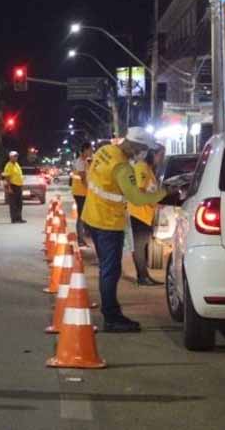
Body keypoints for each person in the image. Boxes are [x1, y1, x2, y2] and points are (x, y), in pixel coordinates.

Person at [81, 127, 173, 333]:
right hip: (107, 222)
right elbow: (137, 198)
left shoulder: (104, 151)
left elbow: (93, 180)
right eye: (143, 149)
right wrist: (163, 193)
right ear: (135, 145)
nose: (143, 154)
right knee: (110, 271)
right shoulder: (122, 167)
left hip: (92, 215)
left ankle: (112, 314)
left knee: (108, 269)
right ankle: (112, 318)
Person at [128, 145, 165, 286]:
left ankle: (145, 276)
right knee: (139, 247)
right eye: (161, 154)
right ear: (153, 154)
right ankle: (142, 277)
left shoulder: (148, 169)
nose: (162, 158)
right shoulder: (142, 168)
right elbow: (140, 190)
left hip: (145, 213)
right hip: (139, 213)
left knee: (142, 247)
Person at [71, 143, 93, 246]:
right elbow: (83, 178)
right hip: (80, 192)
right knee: (81, 215)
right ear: (84, 151)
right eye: (90, 150)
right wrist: (91, 189)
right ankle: (80, 238)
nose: (91, 152)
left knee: (85, 214)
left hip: (83, 192)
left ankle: (84, 235)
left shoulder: (86, 161)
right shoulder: (80, 162)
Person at [2, 151, 25, 223]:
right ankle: (14, 219)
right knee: (13, 204)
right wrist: (9, 188)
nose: (16, 158)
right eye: (14, 156)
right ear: (10, 157)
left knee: (19, 203)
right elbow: (7, 177)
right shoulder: (8, 165)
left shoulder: (17, 164)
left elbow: (19, 175)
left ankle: (19, 218)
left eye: (16, 156)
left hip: (18, 186)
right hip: (12, 186)